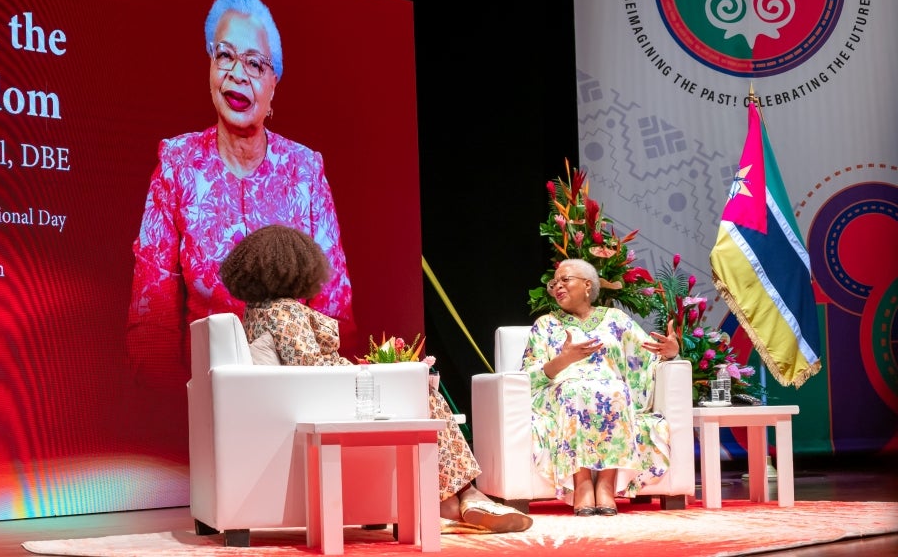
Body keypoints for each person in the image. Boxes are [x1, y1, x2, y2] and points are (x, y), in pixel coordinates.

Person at [219, 224, 532, 533]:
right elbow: (310, 366)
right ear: (297, 267)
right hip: (321, 398)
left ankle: (455, 499)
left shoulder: (256, 311)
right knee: (423, 396)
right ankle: (465, 495)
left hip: (306, 395)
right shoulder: (286, 312)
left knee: (416, 389)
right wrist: (367, 372)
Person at [126, 0, 354, 394]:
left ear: (272, 86)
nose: (236, 73)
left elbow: (334, 312)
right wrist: (185, 418)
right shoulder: (177, 165)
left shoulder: (305, 169)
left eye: (254, 63)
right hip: (203, 401)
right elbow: (152, 320)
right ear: (210, 67)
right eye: (224, 56)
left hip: (299, 397)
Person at [521, 258, 680, 516]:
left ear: (587, 285)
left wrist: (670, 353)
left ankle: (606, 484)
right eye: (554, 283)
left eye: (565, 280)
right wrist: (564, 360)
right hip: (560, 391)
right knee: (575, 390)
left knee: (617, 390)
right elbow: (529, 375)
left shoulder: (616, 319)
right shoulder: (546, 324)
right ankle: (582, 483)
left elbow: (647, 358)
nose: (557, 286)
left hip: (609, 389)